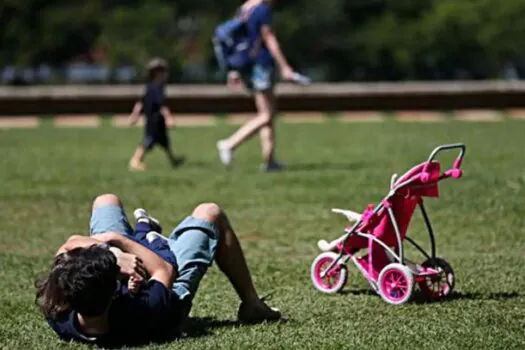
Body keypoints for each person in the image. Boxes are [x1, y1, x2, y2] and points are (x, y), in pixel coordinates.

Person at [35, 193, 281, 347]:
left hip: (120, 273)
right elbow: (163, 269)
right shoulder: (144, 310)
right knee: (210, 212)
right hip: (168, 285)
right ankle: (252, 305)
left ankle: (143, 231)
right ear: (115, 291)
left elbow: (68, 245)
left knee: (106, 200)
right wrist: (118, 242)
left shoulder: (58, 310)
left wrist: (112, 255)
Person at [216, 0, 296, 172]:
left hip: (247, 66)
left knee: (266, 113)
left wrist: (233, 70)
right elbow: (268, 37)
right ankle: (230, 144)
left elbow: (236, 40)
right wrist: (284, 66)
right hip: (261, 65)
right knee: (267, 115)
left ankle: (270, 160)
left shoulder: (245, 8)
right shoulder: (262, 9)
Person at [128, 58, 184, 171]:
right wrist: (169, 118)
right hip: (154, 121)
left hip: (157, 121)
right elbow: (162, 106)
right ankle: (135, 161)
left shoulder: (152, 87)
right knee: (148, 141)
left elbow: (140, 103)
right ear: (157, 74)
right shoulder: (155, 88)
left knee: (165, 142)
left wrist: (135, 115)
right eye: (164, 72)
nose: (166, 75)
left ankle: (173, 160)